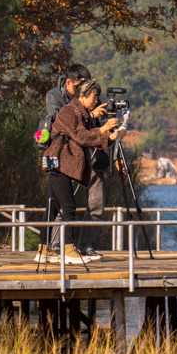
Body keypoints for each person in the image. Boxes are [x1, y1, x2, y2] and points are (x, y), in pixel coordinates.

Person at [40, 79, 117, 265]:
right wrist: (104, 129)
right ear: (82, 96)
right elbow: (82, 137)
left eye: (97, 97)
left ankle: (43, 250)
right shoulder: (70, 111)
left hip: (64, 163)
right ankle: (67, 249)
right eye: (94, 97)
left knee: (54, 207)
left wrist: (109, 138)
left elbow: (91, 138)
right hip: (58, 161)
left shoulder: (82, 114)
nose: (96, 100)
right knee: (67, 207)